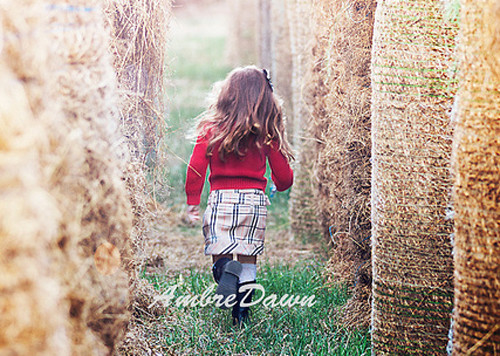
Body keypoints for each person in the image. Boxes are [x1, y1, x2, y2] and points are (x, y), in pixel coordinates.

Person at [185, 66, 294, 325]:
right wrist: (279, 184)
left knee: (220, 252)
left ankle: (224, 271)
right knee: (248, 258)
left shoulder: (211, 128)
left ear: (227, 94)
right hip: (254, 203)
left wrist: (192, 202)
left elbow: (195, 168)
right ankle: (241, 316)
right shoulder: (266, 133)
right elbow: (285, 177)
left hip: (221, 199)